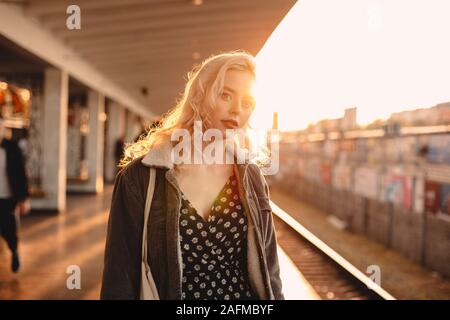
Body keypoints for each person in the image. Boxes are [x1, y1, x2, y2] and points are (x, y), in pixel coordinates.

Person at [101, 51, 284, 300]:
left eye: (247, 102)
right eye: (225, 95)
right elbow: (119, 276)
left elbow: (270, 271)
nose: (236, 111)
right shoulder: (141, 178)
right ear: (199, 97)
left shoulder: (250, 176)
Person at [0, 117, 30, 273]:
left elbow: (20, 174)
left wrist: (23, 199)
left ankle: (14, 251)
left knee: (8, 230)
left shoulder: (12, 149)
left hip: (6, 198)